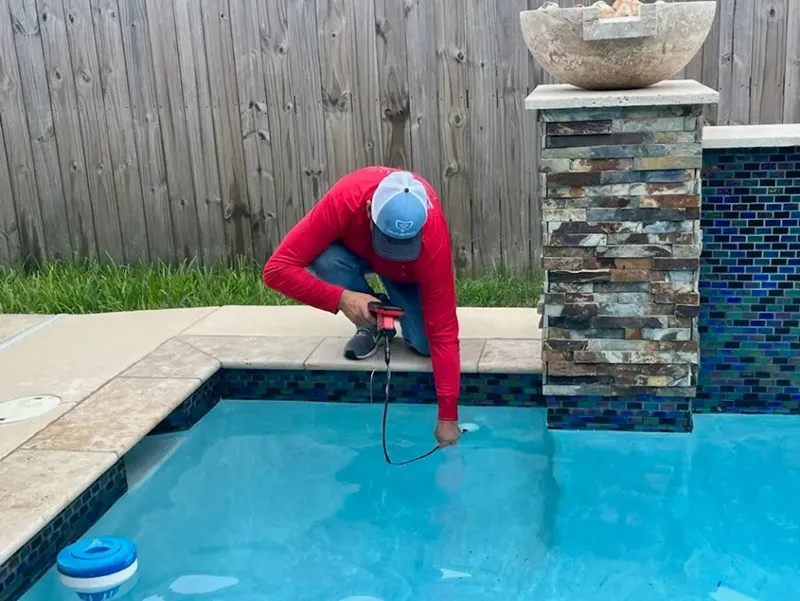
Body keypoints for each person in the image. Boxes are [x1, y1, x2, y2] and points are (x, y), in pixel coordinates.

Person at [262, 166, 462, 447]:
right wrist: (342, 298)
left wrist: (447, 420)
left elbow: (444, 333)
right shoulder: (346, 198)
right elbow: (276, 270)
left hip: (407, 272)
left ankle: (383, 311)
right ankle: (370, 320)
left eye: (402, 244)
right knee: (324, 257)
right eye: (388, 241)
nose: (394, 250)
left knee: (425, 344)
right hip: (354, 255)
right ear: (369, 210)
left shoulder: (433, 235)